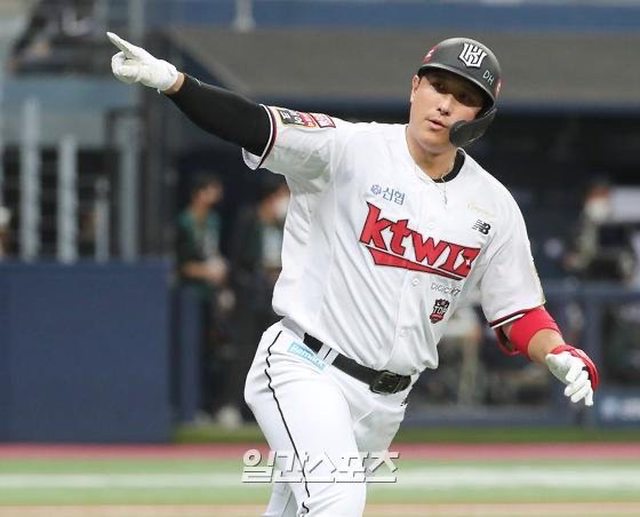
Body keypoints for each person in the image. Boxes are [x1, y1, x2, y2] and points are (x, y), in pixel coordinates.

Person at [108, 33, 600, 516]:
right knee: (337, 503)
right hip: (307, 366)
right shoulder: (347, 147)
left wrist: (557, 351)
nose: (445, 104)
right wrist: (175, 83)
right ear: (415, 86)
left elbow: (518, 311)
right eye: (438, 86)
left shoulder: (493, 205)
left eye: (465, 98)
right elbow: (255, 125)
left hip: (385, 403)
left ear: (481, 118)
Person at [229, 176, 290, 420]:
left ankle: (268, 408)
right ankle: (233, 406)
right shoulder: (250, 219)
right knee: (245, 349)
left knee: (273, 352)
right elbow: (238, 258)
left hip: (275, 295)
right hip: (250, 294)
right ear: (271, 197)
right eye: (282, 195)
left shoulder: (283, 224)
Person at [175, 173, 234, 423]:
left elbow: (213, 253)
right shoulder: (184, 222)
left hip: (211, 294)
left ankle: (212, 405)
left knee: (216, 351)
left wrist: (220, 277)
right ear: (198, 193)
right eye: (211, 190)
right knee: (192, 351)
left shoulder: (213, 220)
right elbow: (180, 264)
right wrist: (205, 271)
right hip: (190, 296)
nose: (216, 195)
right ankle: (191, 406)